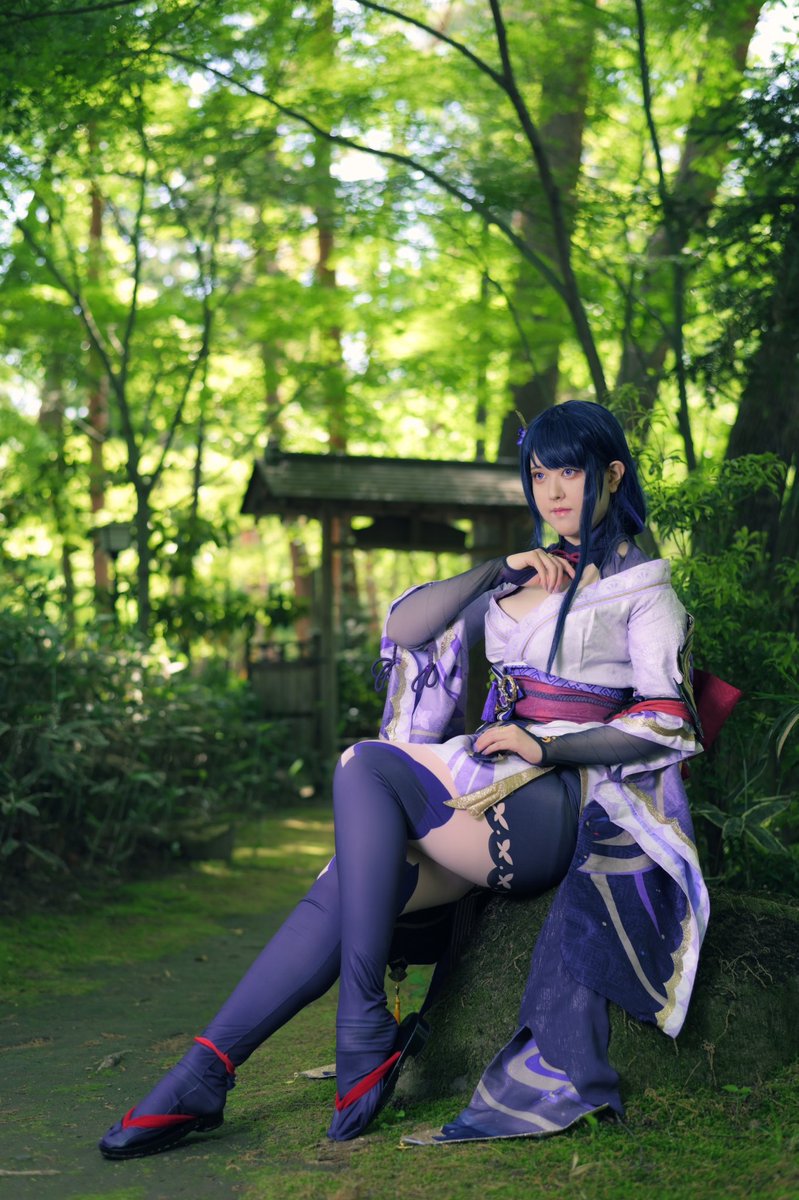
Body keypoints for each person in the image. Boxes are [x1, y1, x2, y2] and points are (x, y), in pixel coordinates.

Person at [98, 400, 707, 1158]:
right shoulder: (525, 573)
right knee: (346, 885)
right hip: (484, 783)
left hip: (559, 799)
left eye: (571, 473)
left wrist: (548, 748)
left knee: (364, 765)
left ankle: (361, 1031)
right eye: (538, 474)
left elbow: (669, 721)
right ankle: (204, 1073)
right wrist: (495, 571)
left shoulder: (644, 589)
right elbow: (406, 629)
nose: (552, 491)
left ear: (611, 475)